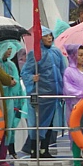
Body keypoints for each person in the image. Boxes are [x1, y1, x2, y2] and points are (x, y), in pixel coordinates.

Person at [21, 26, 66, 158]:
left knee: (50, 123)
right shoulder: (34, 54)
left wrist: (63, 90)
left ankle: (44, 149)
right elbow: (25, 72)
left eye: (50, 35)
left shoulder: (56, 52)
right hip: (40, 95)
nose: (49, 38)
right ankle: (33, 150)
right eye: (46, 36)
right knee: (36, 123)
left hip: (54, 95)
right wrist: (32, 78)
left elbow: (63, 71)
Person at [0, 39, 30, 161]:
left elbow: (16, 82)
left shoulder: (11, 65)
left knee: (10, 127)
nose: (10, 51)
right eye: (8, 48)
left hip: (10, 100)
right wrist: (7, 82)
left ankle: (10, 151)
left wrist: (17, 95)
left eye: (11, 49)